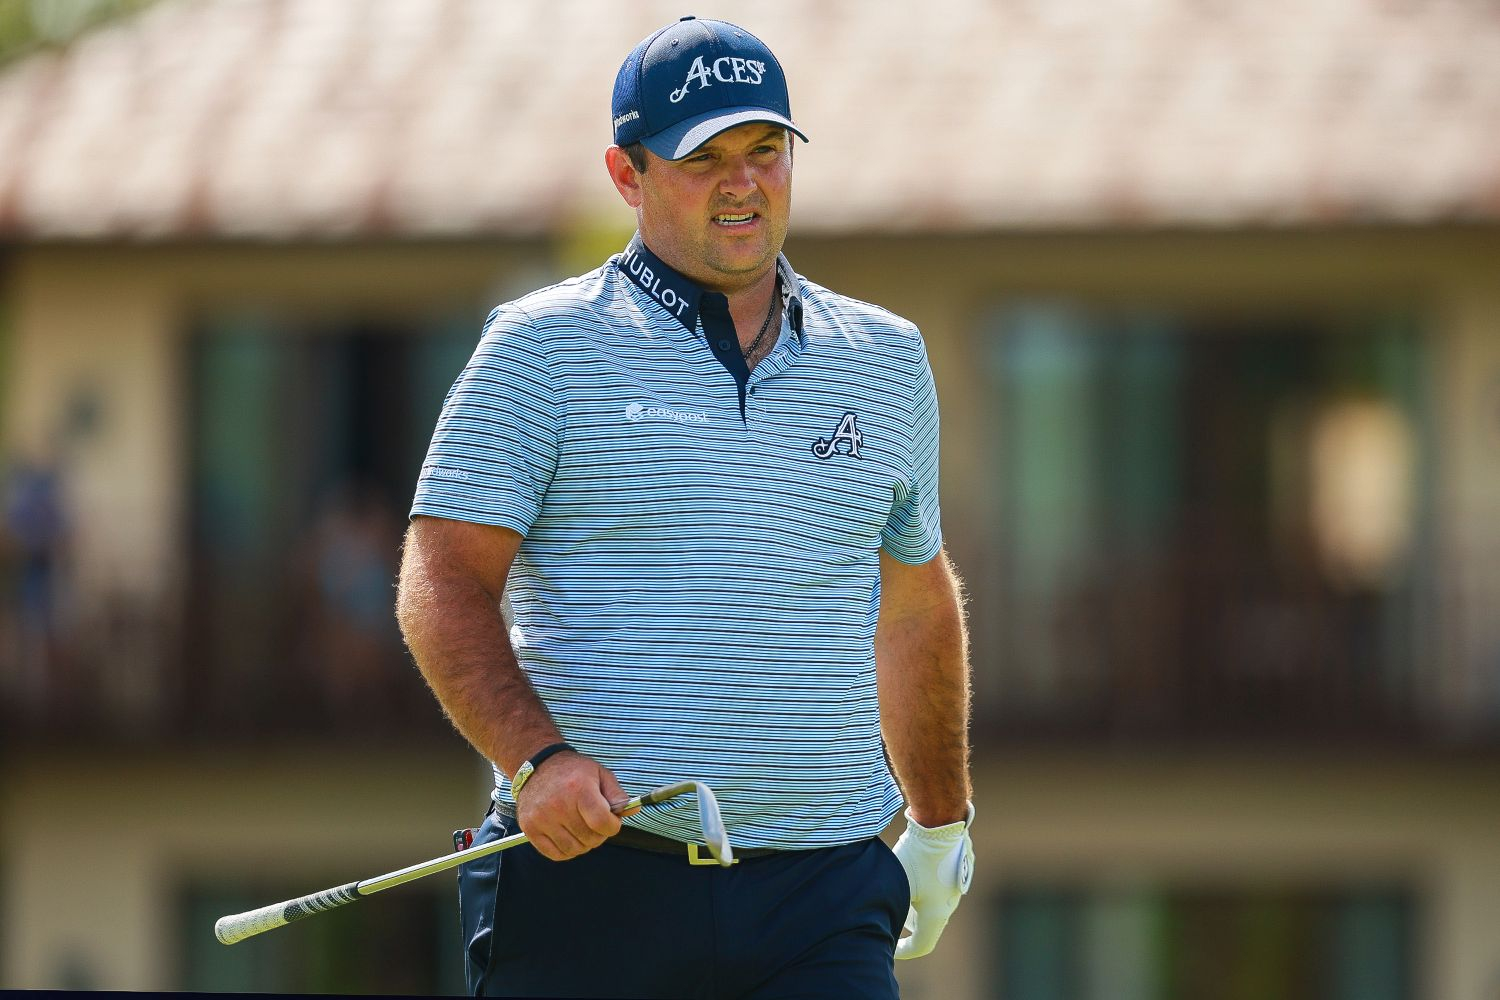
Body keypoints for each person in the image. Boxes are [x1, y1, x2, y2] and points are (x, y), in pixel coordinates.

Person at [397, 16, 974, 998]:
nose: (743, 182)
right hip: (594, 884)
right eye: (703, 157)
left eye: (765, 150)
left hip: (824, 894)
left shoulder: (885, 357)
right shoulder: (541, 348)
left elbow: (915, 604)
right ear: (628, 175)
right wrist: (536, 760)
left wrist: (942, 822)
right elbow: (440, 579)